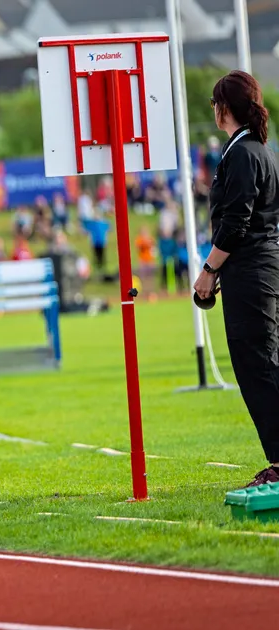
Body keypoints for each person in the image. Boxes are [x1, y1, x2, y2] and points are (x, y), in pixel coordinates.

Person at [194, 70, 279, 488]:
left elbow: (236, 221)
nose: (212, 110)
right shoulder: (257, 148)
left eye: (214, 103)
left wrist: (209, 270)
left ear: (223, 107)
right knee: (261, 361)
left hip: (251, 268)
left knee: (258, 364)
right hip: (256, 268)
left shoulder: (244, 152)